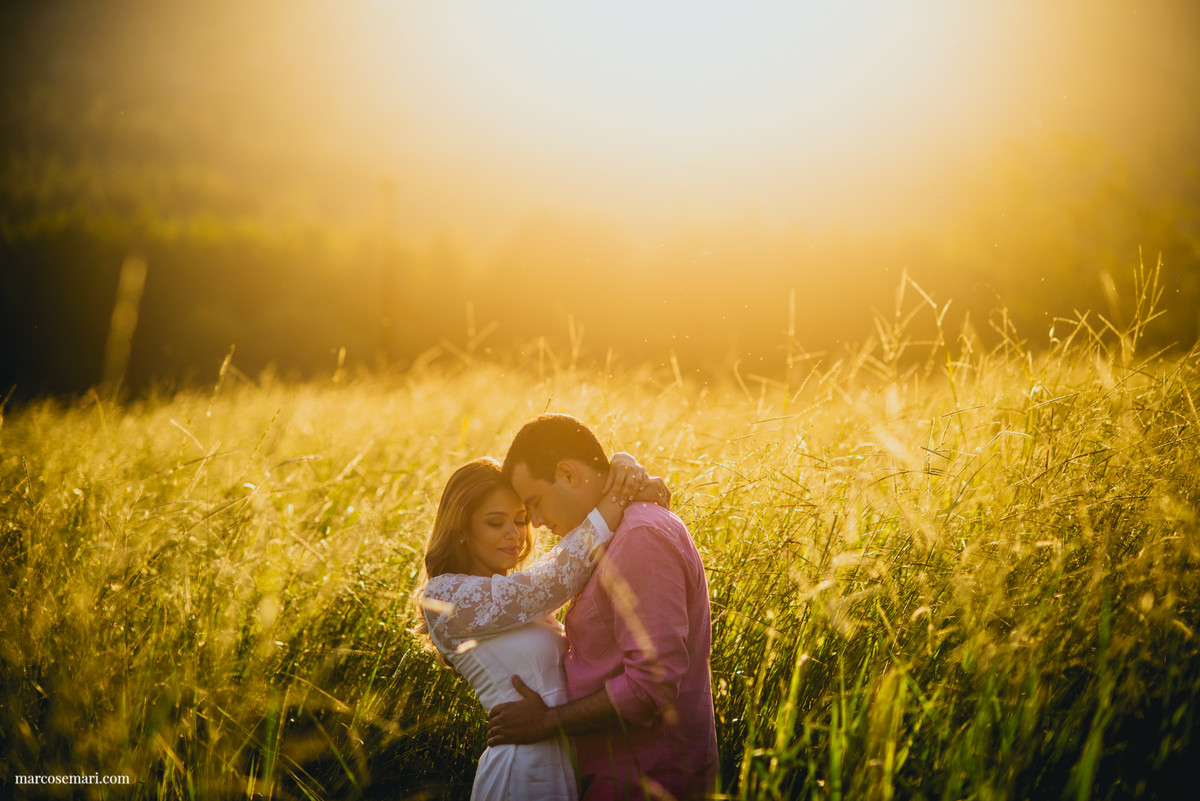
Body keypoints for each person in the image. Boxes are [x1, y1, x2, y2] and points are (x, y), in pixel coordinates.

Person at [489, 414, 718, 801]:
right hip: (617, 774)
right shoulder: (607, 537)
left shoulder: (640, 537)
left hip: (651, 779)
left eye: (535, 503)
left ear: (568, 474)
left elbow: (652, 684)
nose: (538, 522)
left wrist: (547, 723)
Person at [418, 453, 669, 801]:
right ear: (461, 528)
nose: (514, 535)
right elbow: (550, 582)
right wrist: (620, 493)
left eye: (521, 519)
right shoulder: (443, 597)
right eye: (495, 522)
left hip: (564, 770)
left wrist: (625, 467)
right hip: (519, 771)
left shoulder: (513, 598)